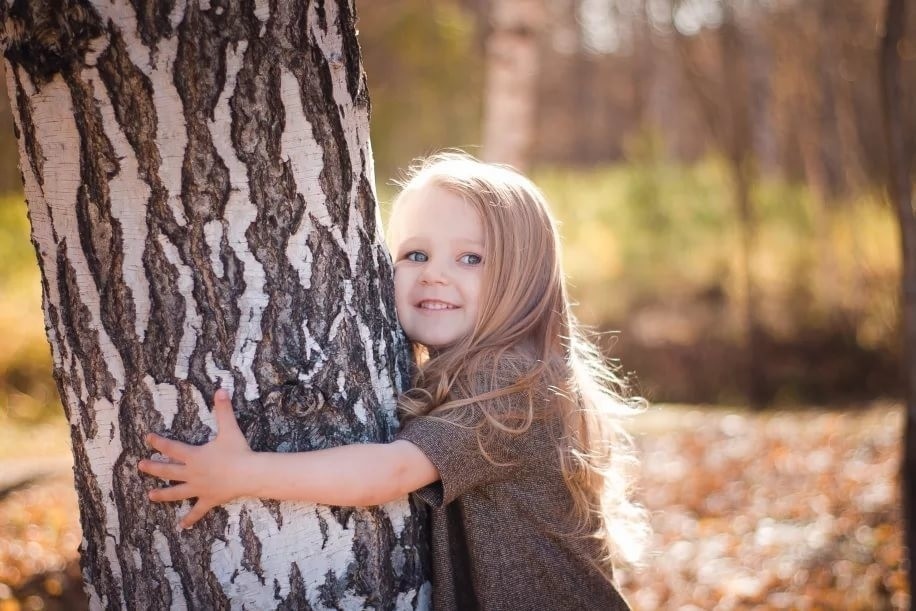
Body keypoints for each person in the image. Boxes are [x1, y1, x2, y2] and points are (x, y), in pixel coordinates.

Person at [139, 152, 649, 610]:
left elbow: (387, 473)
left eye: (470, 258)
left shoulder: (512, 383)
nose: (433, 274)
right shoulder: (466, 373)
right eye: (415, 255)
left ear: (524, 279)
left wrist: (243, 474)